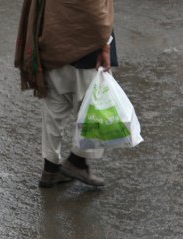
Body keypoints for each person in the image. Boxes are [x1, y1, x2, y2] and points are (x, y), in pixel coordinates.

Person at [15, 0, 119, 188]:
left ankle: (50, 169)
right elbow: (96, 16)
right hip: (87, 53)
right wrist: (105, 46)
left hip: (52, 46)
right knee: (94, 109)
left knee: (54, 111)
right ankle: (77, 162)